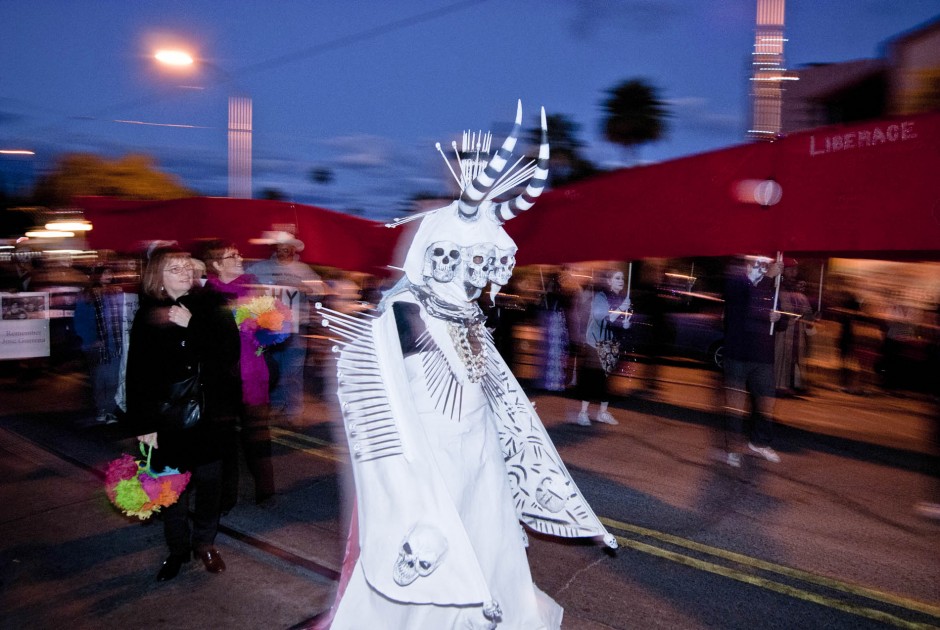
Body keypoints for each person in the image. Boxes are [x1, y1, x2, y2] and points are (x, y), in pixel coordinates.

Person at [311, 103, 615, 629]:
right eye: (464, 259)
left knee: (487, 531)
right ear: (436, 253)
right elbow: (393, 396)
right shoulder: (406, 311)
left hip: (477, 448)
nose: (478, 275)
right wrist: (413, 468)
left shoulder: (468, 311)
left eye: (484, 263)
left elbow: (484, 375)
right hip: (430, 453)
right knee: (437, 539)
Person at [125, 246, 240, 582]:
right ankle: (177, 550)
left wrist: (194, 326)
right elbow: (138, 374)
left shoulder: (211, 306)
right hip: (167, 417)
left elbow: (228, 354)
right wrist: (144, 423)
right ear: (158, 278)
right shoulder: (148, 314)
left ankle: (205, 543)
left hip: (209, 413)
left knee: (209, 484)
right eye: (174, 268)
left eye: (187, 267)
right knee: (171, 490)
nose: (185, 273)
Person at [202, 240, 276, 509]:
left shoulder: (254, 289)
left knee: (257, 433)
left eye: (238, 253)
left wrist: (268, 329)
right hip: (222, 377)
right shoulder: (206, 296)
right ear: (217, 265)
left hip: (254, 372)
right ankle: (226, 496)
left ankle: (266, 490)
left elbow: (274, 332)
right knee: (225, 440)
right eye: (232, 255)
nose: (240, 257)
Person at [247, 231, 321, 426]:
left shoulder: (303, 270)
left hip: (296, 330)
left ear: (293, 249)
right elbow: (244, 282)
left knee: (293, 371)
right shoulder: (261, 268)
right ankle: (277, 406)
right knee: (273, 370)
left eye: (286, 248)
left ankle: (293, 412)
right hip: (270, 329)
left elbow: (320, 291)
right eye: (279, 248)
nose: (282, 252)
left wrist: (304, 287)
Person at [721, 255, 782, 467]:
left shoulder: (771, 290)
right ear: (748, 265)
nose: (762, 268)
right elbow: (745, 309)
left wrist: (779, 318)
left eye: (765, 265)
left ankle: (759, 442)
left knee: (766, 402)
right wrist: (768, 280)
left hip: (763, 356)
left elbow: (778, 321)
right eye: (757, 264)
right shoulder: (736, 283)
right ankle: (733, 449)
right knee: (736, 406)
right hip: (738, 355)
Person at [572, 269, 632, 426]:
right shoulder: (601, 296)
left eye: (623, 278)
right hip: (596, 342)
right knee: (592, 377)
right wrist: (620, 309)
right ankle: (583, 413)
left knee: (606, 380)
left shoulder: (621, 298)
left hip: (610, 343)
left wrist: (624, 324)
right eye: (617, 278)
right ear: (609, 281)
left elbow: (615, 322)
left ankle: (602, 413)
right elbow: (600, 317)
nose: (621, 281)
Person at [74, 262, 123, 424]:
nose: (108, 277)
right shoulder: (87, 295)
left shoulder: (116, 293)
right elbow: (80, 321)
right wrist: (91, 340)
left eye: (110, 273)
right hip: (96, 345)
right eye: (104, 273)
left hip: (114, 343)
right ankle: (102, 409)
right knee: (99, 379)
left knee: (113, 379)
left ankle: (108, 410)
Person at [774, 261, 815, 396]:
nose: (793, 273)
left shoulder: (800, 296)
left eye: (795, 270)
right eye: (790, 269)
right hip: (783, 333)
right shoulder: (778, 291)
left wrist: (811, 328)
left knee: (796, 359)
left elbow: (808, 314)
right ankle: (779, 384)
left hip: (797, 334)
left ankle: (795, 384)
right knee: (782, 358)